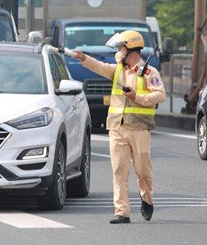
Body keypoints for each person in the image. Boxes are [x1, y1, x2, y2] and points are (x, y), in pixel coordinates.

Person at [69, 30, 166, 224]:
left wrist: (137, 97)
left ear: (131, 48)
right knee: (119, 171)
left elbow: (160, 95)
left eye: (121, 47)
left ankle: (147, 199)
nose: (119, 51)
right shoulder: (118, 70)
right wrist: (83, 58)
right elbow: (99, 66)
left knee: (143, 172)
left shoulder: (148, 72)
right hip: (117, 128)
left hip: (139, 129)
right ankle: (122, 212)